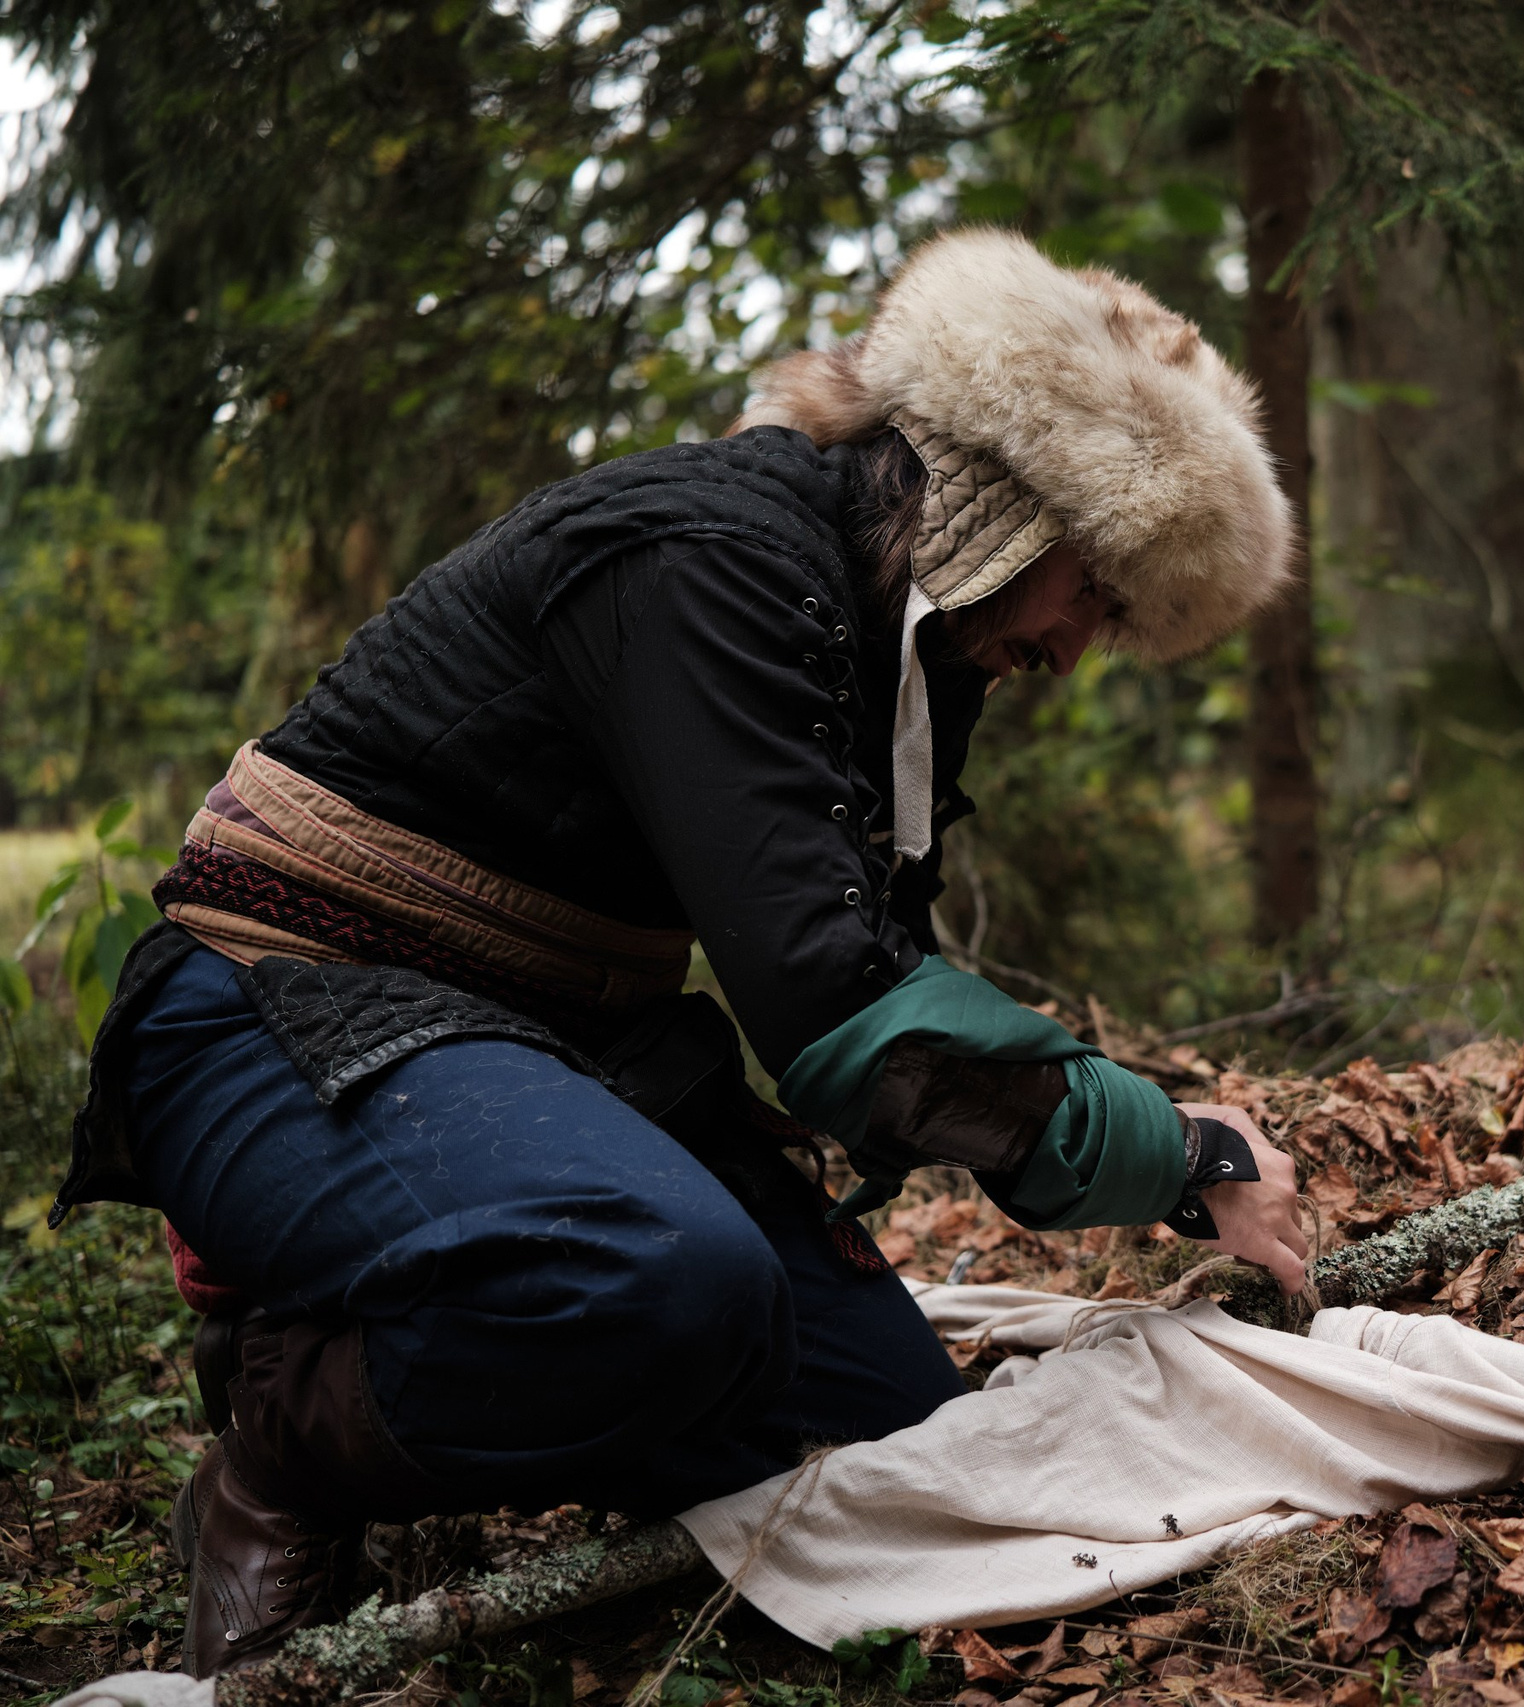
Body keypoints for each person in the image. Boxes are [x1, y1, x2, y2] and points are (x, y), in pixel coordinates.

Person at [49, 230, 1310, 1676]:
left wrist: (1138, 1118)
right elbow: (835, 1008)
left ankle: (480, 1325)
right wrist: (1181, 1144)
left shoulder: (894, 645)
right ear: (998, 508)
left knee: (884, 1437)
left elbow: (879, 961)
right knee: (663, 1287)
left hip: (551, 1063)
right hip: (278, 1017)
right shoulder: (711, 558)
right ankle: (286, 1432)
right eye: (1095, 584)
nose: (1084, 640)